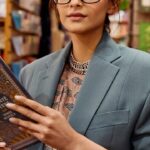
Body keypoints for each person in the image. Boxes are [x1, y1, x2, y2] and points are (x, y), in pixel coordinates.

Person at [1, 0, 150, 149]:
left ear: (112, 5)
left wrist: (73, 143)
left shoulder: (143, 70)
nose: (75, 2)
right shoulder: (31, 73)